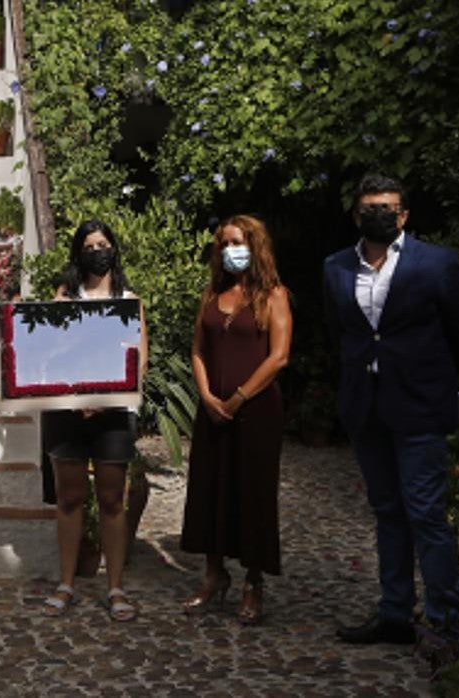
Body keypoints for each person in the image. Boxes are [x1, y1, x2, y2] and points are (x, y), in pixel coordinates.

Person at [324, 174, 459, 644]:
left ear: (404, 215)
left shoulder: (437, 263)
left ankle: (444, 621)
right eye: (369, 208)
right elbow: (339, 332)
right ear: (355, 215)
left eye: (388, 208)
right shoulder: (336, 267)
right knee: (387, 512)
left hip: (419, 408)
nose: (379, 215)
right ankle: (394, 613)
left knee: (426, 513)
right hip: (366, 407)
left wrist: (429, 378)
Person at [179, 215, 292, 625]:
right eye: (224, 244)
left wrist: (240, 396)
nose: (230, 250)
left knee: (253, 491)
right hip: (212, 409)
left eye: (238, 242)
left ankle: (253, 580)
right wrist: (207, 394)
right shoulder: (212, 293)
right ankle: (214, 573)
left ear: (255, 246)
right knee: (210, 487)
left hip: (256, 411)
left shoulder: (273, 294)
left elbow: (279, 356)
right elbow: (197, 348)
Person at [41, 220, 147, 622]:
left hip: (114, 413)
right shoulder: (64, 297)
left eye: (103, 245)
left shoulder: (129, 300)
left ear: (114, 249)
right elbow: (48, 351)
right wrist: (77, 398)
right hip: (67, 411)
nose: (97, 252)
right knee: (69, 498)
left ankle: (115, 586)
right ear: (78, 253)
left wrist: (103, 400)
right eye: (89, 246)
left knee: (112, 500)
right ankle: (66, 583)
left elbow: (139, 360)